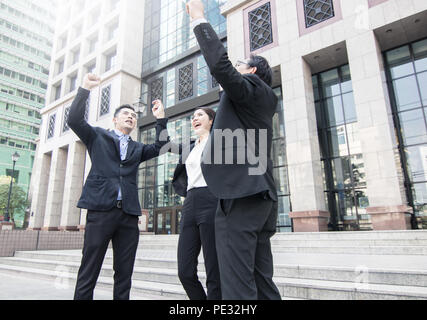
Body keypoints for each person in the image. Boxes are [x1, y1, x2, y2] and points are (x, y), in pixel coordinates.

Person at [186, 0, 282, 300]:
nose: (235, 69)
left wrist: (199, 19)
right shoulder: (257, 103)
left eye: (240, 65)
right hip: (258, 196)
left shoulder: (252, 88)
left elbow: (220, 66)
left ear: (251, 71)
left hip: (242, 196)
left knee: (237, 283)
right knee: (259, 278)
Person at [68, 73, 169, 300]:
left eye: (134, 116)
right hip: (100, 210)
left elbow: (162, 146)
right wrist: (84, 89)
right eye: (126, 114)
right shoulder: (98, 136)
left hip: (128, 215)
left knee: (124, 272)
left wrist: (161, 119)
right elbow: (74, 120)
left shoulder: (138, 148)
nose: (131, 117)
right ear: (114, 120)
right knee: (89, 268)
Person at [168, 105, 221, 300]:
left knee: (213, 268)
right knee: (185, 271)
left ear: (212, 120)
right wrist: (159, 119)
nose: (194, 119)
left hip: (212, 199)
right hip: (190, 202)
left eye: (200, 115)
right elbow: (163, 142)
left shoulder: (219, 141)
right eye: (192, 116)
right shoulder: (190, 145)